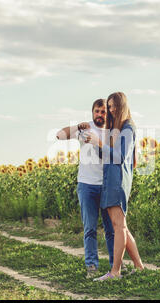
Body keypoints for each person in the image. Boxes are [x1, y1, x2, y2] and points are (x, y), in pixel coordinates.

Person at [85, 92, 145, 281]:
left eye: (114, 106)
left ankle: (115, 272)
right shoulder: (119, 129)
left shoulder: (127, 128)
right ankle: (140, 267)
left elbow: (119, 157)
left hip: (116, 182)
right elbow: (108, 155)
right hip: (112, 180)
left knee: (118, 227)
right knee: (122, 227)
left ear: (122, 105)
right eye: (109, 106)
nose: (111, 110)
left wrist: (100, 143)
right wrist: (95, 144)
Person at [56, 99, 115, 278]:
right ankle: (92, 266)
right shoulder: (85, 128)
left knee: (110, 230)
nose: (99, 115)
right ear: (92, 113)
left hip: (106, 186)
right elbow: (59, 135)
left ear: (108, 113)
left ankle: (115, 266)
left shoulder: (113, 131)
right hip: (87, 185)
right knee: (89, 228)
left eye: (103, 112)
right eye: (97, 111)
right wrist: (76, 127)